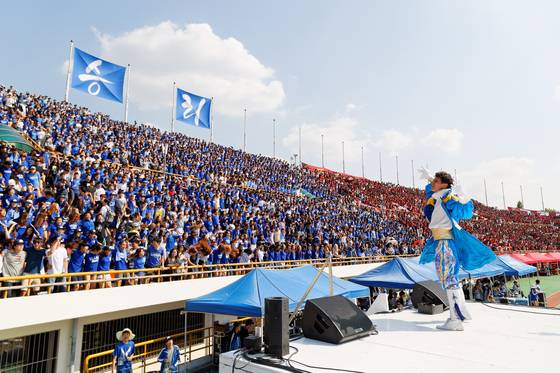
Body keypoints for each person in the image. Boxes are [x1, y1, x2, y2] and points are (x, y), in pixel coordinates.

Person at [418, 168, 496, 331]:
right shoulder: (438, 196)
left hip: (445, 243)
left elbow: (464, 212)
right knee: (451, 278)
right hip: (442, 241)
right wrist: (429, 178)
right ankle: (462, 314)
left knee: (448, 279)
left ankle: (454, 319)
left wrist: (466, 199)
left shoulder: (448, 196)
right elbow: (432, 192)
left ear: (444, 184)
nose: (433, 183)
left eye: (436, 181)